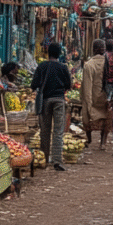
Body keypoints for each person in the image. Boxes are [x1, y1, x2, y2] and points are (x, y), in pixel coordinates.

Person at [31, 43, 72, 171]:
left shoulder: (42, 66)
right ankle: (57, 160)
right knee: (58, 131)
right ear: (59, 54)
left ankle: (43, 157)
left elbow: (34, 84)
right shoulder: (63, 67)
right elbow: (69, 84)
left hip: (45, 101)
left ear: (48, 53)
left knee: (45, 131)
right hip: (59, 100)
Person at [81, 40, 110, 150]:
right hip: (106, 96)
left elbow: (87, 85)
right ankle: (103, 142)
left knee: (87, 117)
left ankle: (89, 139)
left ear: (93, 50)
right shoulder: (110, 62)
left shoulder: (89, 64)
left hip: (92, 96)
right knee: (106, 118)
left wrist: (87, 101)